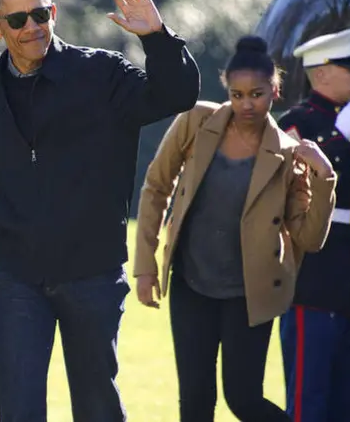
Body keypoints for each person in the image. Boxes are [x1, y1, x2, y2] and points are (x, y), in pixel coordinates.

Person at [0, 0, 200, 421]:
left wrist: (158, 37)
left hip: (91, 274)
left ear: (54, 13)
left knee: (97, 410)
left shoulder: (101, 73)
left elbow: (176, 95)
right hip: (15, 275)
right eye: (19, 19)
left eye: (41, 14)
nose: (32, 27)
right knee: (19, 412)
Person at [134, 35, 338, 421]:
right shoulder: (195, 121)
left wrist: (325, 177)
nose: (247, 104)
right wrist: (145, 266)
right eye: (238, 94)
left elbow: (309, 239)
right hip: (191, 284)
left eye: (257, 94)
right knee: (194, 403)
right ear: (226, 88)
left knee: (243, 399)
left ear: (275, 91)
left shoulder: (289, 155)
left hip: (251, 293)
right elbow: (156, 187)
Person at [277, 25, 350, 421]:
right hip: (311, 275)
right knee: (309, 399)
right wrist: (336, 136)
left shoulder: (342, 122)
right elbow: (290, 181)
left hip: (346, 273)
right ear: (321, 73)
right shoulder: (297, 122)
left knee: (346, 402)